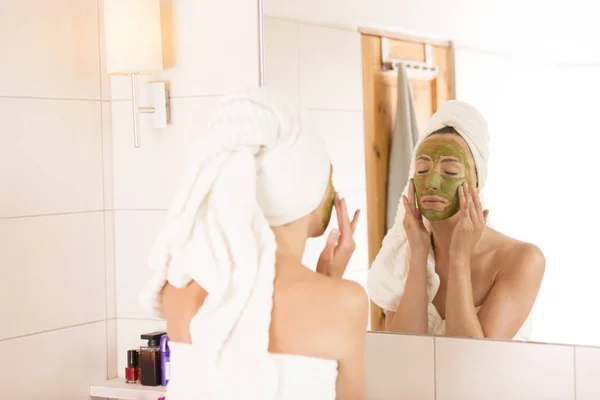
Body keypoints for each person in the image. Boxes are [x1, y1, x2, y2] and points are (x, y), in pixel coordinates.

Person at [139, 87, 368, 400]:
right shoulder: (345, 303)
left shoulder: (177, 288)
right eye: (328, 177)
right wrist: (331, 285)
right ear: (310, 196)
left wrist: (327, 281)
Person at [368, 100, 545, 340]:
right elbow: (403, 355)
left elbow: (471, 361)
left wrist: (459, 258)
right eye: (421, 170)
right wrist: (419, 255)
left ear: (476, 182)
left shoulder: (523, 260)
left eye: (450, 172)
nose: (431, 182)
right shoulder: (404, 254)